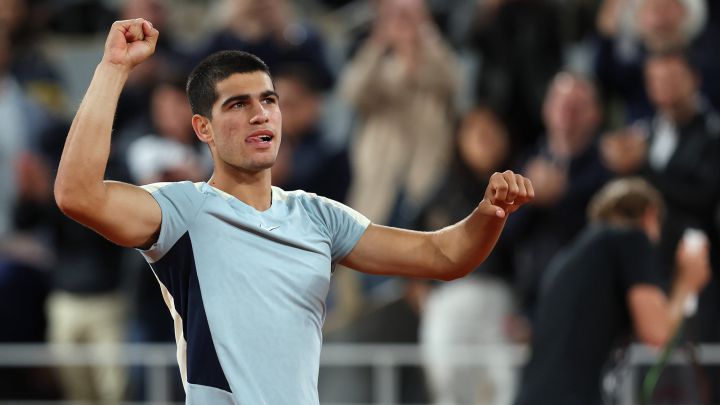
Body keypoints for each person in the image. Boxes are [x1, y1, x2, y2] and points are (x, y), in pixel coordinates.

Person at [53, 19, 534, 404]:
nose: (260, 114)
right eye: (238, 105)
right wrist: (113, 68)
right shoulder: (183, 209)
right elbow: (77, 193)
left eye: (268, 101)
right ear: (203, 128)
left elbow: (445, 257)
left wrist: (489, 212)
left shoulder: (317, 217)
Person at [513, 177, 710, 405]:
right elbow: (658, 334)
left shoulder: (568, 258)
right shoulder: (632, 238)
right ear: (650, 216)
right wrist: (686, 281)